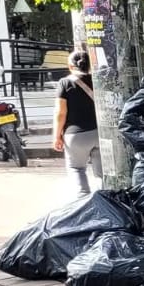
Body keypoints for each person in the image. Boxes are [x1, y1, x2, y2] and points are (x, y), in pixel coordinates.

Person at [53, 50, 102, 197]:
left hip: (76, 136)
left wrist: (56, 136)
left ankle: (83, 201)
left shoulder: (65, 83)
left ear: (70, 66)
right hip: (100, 133)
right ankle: (107, 202)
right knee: (102, 173)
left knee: (76, 168)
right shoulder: (99, 80)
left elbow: (60, 113)